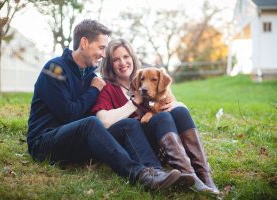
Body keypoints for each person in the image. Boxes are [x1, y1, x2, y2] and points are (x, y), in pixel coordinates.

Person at [26, 19, 186, 190]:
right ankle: (141, 175)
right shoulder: (54, 69)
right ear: (85, 43)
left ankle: (156, 173)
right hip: (45, 142)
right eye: (101, 48)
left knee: (128, 124)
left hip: (77, 141)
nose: (104, 54)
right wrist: (93, 90)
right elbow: (67, 115)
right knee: (91, 123)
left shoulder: (90, 76)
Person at [91, 38, 220, 194]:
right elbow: (103, 122)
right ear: (109, 64)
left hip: (154, 137)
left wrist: (178, 105)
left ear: (132, 58)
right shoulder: (108, 87)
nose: (122, 62)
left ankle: (202, 174)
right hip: (133, 143)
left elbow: (165, 102)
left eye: (126, 57)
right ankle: (188, 175)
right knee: (162, 117)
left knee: (179, 111)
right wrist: (134, 101)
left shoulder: (147, 79)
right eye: (116, 59)